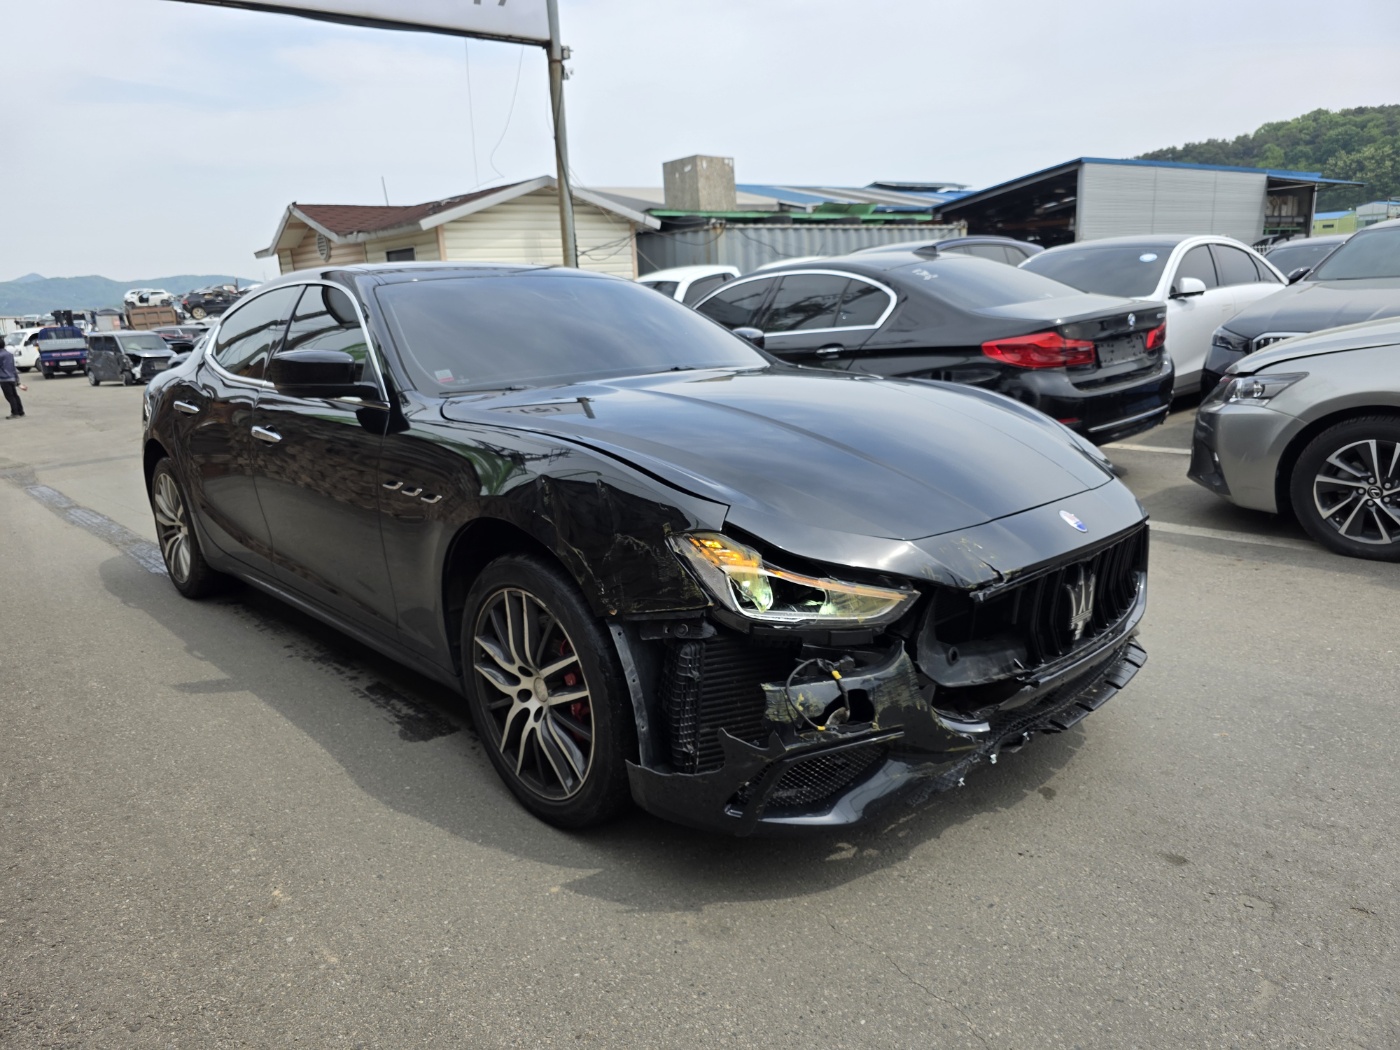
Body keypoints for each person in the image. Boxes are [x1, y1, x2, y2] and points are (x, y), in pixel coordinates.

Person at [0, 340, 27, 418]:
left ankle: (15, 413)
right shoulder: (9, 354)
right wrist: (16, 378)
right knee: (15, 395)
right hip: (12, 377)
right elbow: (13, 367)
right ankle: (20, 411)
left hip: (4, 378)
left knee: (9, 396)